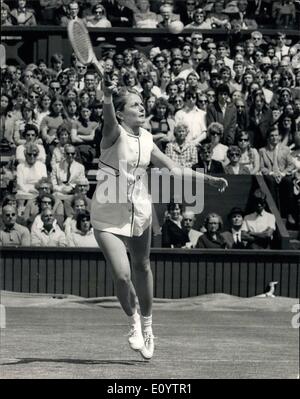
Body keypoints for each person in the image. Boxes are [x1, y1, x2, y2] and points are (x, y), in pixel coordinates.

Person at [90, 73, 228, 360]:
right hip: (107, 214)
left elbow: (174, 169)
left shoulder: (148, 139)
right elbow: (107, 119)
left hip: (139, 210)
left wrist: (208, 179)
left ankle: (150, 327)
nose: (142, 108)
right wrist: (106, 96)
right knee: (122, 274)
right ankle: (134, 323)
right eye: (134, 105)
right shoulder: (112, 134)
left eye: (142, 104)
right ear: (120, 112)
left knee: (142, 268)